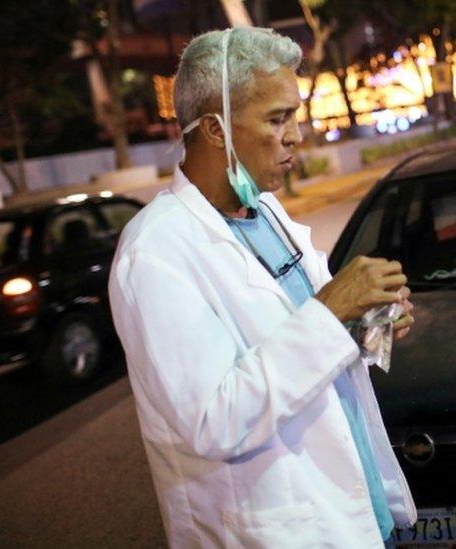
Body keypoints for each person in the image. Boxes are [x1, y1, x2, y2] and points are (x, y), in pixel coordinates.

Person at [108, 27, 417, 547]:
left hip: (357, 518)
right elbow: (214, 420)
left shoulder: (266, 211)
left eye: (293, 116)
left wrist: (367, 322)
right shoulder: (155, 253)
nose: (296, 135)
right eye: (277, 119)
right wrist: (329, 310)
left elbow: (309, 338)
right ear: (214, 129)